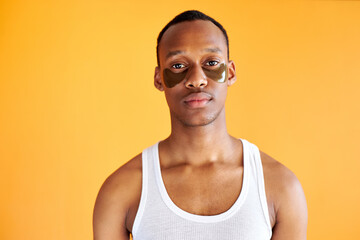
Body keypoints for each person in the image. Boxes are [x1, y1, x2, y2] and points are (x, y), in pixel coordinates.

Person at [93, 10, 308, 240]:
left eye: (212, 63)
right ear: (159, 79)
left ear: (231, 73)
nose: (196, 79)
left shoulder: (281, 186)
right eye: (177, 66)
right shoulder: (121, 190)